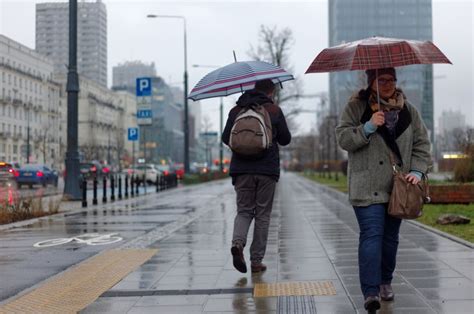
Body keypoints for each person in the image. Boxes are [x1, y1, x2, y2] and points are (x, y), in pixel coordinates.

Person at [335, 67, 431, 313]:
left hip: (398, 187)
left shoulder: (408, 111)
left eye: (392, 80)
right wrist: (367, 127)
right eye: (382, 80)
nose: (388, 84)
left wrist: (418, 172)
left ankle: (385, 281)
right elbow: (343, 139)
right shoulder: (356, 108)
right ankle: (370, 293)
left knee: (390, 240)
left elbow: (422, 144)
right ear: (371, 82)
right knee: (371, 235)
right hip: (366, 185)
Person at [222, 79, 291, 273]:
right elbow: (286, 139)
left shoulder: (237, 110)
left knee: (244, 211)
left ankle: (237, 243)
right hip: (266, 171)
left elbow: (226, 137)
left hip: (241, 169)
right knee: (262, 215)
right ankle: (256, 261)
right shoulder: (274, 110)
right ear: (271, 92)